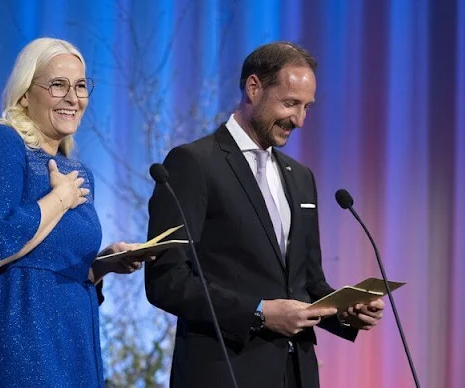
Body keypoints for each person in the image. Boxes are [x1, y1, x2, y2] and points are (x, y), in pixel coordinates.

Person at [145, 41, 385, 388]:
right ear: (253, 88)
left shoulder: (300, 177)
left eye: (307, 108)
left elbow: (307, 283)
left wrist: (344, 312)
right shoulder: (193, 163)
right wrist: (258, 312)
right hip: (225, 371)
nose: (299, 120)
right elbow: (166, 280)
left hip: (297, 374)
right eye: (290, 103)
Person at [0, 37, 147, 388]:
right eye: (58, 85)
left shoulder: (78, 173)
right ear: (24, 94)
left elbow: (50, 264)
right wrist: (59, 199)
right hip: (22, 341)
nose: (73, 97)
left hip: (75, 341)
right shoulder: (3, 143)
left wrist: (101, 265)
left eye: (81, 86)